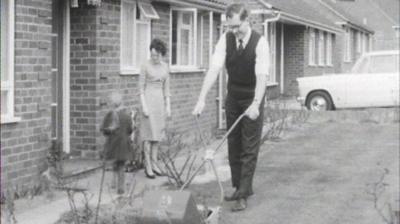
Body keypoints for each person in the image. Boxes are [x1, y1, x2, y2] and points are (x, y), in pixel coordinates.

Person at [192, 3, 269, 211]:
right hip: (234, 97)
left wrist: (255, 104)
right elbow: (214, 69)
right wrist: (201, 98)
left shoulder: (260, 43)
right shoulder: (225, 40)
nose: (233, 31)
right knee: (233, 145)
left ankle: (243, 195)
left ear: (247, 21)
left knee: (249, 148)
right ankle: (238, 187)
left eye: (236, 26)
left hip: (253, 97)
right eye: (230, 27)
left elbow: (262, 77)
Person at [139, 38, 171, 179]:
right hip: (148, 100)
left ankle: (155, 163)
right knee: (147, 135)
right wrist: (144, 106)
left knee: (157, 135)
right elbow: (140, 88)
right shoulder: (145, 66)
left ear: (161, 54)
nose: (154, 57)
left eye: (156, 55)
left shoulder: (165, 67)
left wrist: (168, 106)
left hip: (159, 103)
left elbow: (167, 89)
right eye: (152, 55)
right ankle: (148, 166)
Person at [100, 92, 134, 195]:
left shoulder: (110, 115)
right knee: (121, 165)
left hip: (113, 144)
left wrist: (109, 133)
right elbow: (130, 130)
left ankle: (113, 182)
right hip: (124, 144)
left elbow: (104, 129)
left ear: (112, 104)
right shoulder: (127, 116)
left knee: (115, 163)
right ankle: (121, 187)